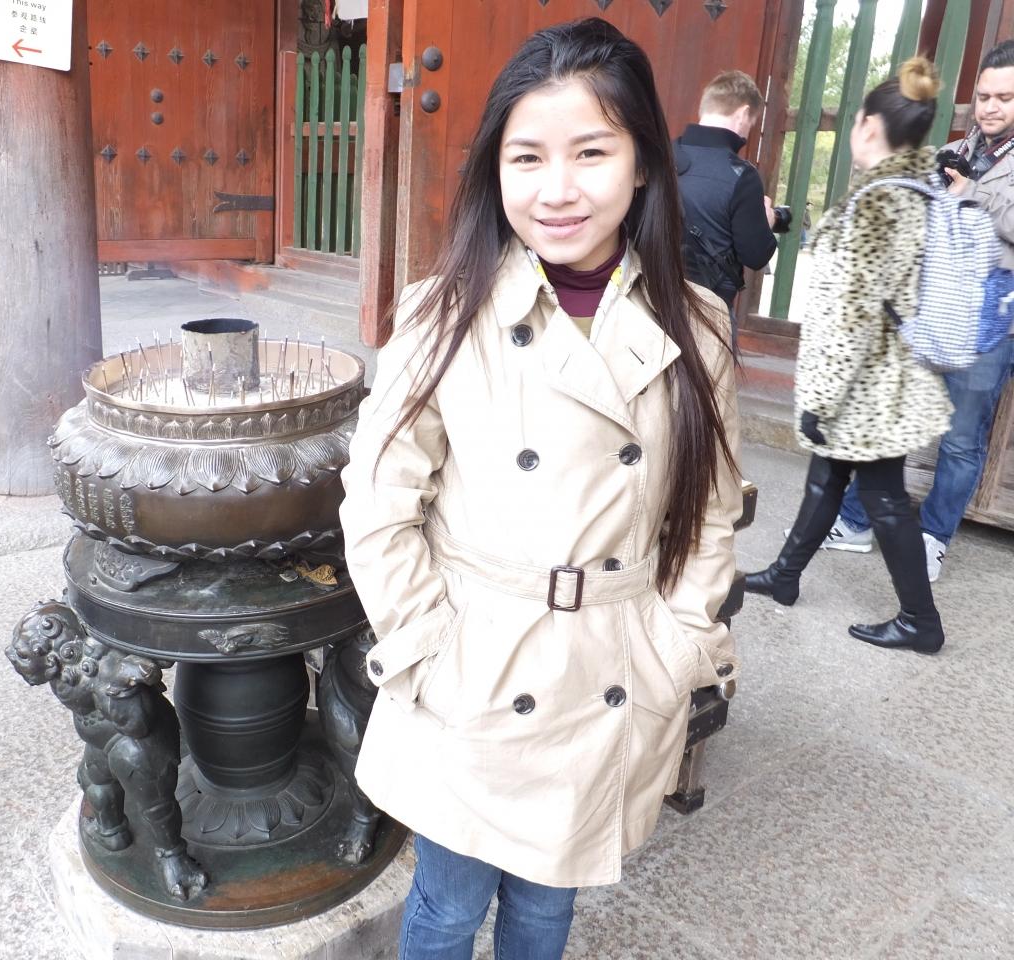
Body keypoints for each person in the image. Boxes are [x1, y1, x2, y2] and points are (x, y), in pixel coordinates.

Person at [339, 18, 741, 959]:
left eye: (591, 152)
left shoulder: (698, 326)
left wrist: (678, 643)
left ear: (643, 164)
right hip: (477, 664)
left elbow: (711, 511)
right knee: (446, 905)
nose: (557, 189)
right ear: (496, 170)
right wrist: (426, 648)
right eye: (528, 157)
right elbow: (380, 499)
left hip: (610, 660)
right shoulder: (445, 313)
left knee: (548, 907)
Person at [744, 59, 952, 655]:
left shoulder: (881, 203)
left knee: (885, 499)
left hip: (868, 387)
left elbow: (852, 319)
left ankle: (921, 621)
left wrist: (820, 399)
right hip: (879, 378)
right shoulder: (908, 191)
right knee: (826, 478)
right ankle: (785, 575)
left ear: (868, 127)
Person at [825, 40, 1014, 581]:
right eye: (983, 96)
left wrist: (972, 193)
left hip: (988, 319)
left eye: (1004, 98)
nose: (990, 107)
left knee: (961, 440)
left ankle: (933, 537)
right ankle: (856, 521)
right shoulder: (952, 151)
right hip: (930, 305)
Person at [673, 70, 778, 328]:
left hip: (649, 303)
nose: (748, 131)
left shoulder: (661, 155)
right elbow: (755, 256)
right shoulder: (741, 176)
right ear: (743, 113)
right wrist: (767, 222)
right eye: (752, 122)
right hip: (708, 313)